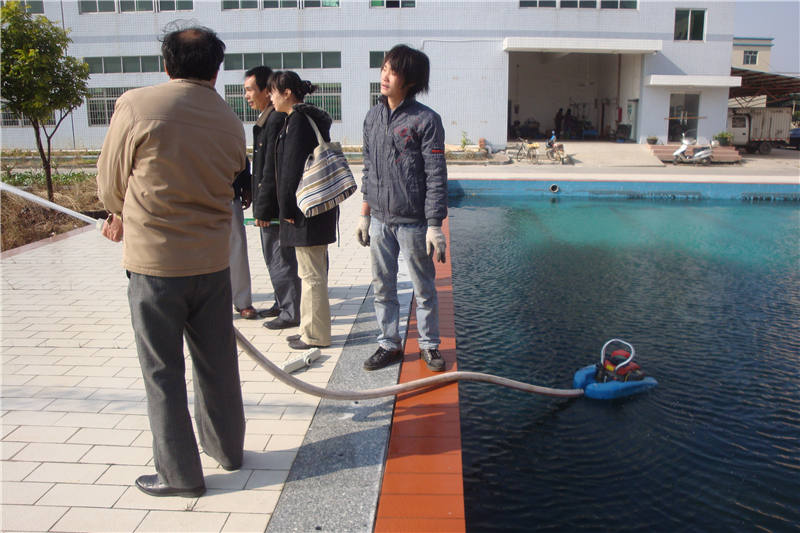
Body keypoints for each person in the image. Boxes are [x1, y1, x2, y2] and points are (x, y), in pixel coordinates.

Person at [96, 25, 247, 498]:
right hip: (213, 264)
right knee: (217, 363)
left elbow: (108, 184)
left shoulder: (137, 106)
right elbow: (231, 176)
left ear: (167, 64)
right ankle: (228, 450)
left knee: (163, 371)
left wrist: (120, 213)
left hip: (156, 267)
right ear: (216, 70)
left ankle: (179, 476)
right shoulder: (230, 121)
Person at [356, 44, 448, 373]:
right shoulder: (373, 117)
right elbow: (368, 167)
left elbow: (436, 175)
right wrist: (365, 214)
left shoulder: (426, 120)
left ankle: (429, 345)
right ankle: (388, 343)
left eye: (393, 71)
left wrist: (434, 225)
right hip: (381, 220)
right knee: (383, 285)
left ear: (410, 80)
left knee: (423, 288)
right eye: (384, 68)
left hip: (413, 223)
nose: (385, 76)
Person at [268, 71, 337, 350]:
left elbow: (291, 169)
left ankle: (315, 336)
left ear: (287, 93)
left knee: (311, 275)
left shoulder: (297, 121)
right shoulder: (306, 118)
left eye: (273, 91)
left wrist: (285, 207)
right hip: (314, 207)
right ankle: (309, 330)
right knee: (312, 273)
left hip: (304, 210)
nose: (270, 97)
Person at [244, 65, 301, 330]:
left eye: (250, 90)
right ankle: (282, 302)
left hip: (273, 207)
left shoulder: (275, 120)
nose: (246, 96)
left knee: (279, 256)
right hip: (269, 203)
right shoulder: (267, 118)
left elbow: (271, 170)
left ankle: (290, 311)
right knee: (275, 256)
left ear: (267, 92)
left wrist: (264, 208)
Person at [230, 158, 261, 319]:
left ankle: (242, 301)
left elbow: (240, 155)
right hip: (192, 196)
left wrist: (246, 185)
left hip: (228, 193)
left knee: (237, 248)